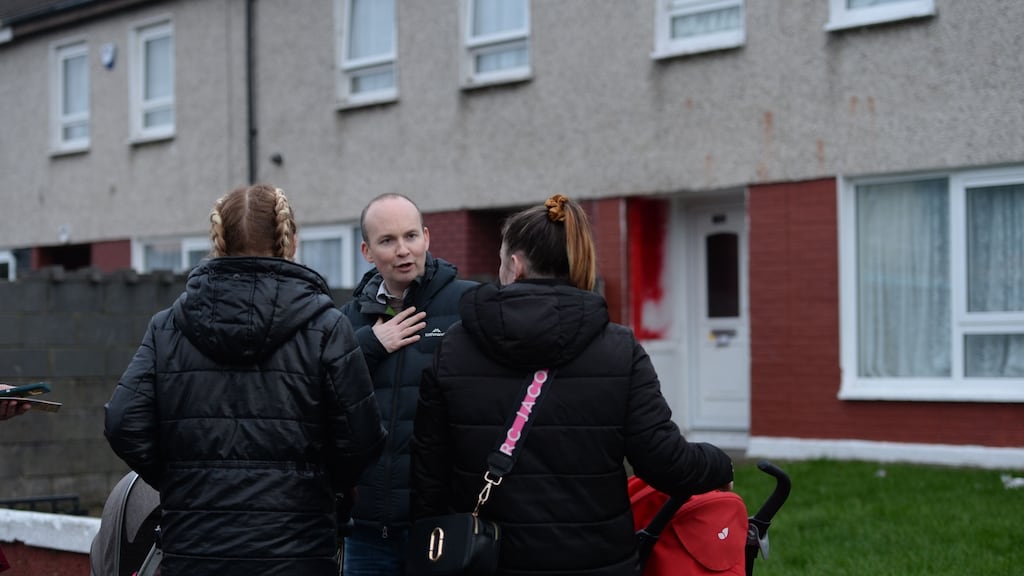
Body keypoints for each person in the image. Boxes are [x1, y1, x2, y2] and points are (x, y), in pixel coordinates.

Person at [410, 194, 735, 576]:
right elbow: (663, 460)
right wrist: (719, 464)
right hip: (597, 561)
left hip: (489, 559)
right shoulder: (619, 348)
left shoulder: (453, 347)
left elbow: (428, 474)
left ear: (514, 267)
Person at [104, 184, 387, 576]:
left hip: (194, 549)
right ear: (289, 240)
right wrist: (319, 484)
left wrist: (182, 478)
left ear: (218, 240)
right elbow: (362, 438)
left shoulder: (167, 326)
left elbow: (122, 422)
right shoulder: (326, 327)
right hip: (296, 550)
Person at [339, 193, 477, 575]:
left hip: (441, 527)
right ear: (367, 251)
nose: (403, 250)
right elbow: (321, 397)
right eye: (387, 241)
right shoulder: (346, 321)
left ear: (427, 237)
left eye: (411, 236)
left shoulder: (468, 305)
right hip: (366, 530)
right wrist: (369, 346)